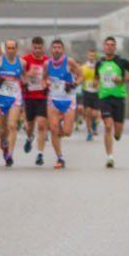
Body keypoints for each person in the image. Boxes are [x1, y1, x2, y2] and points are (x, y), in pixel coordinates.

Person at [95, 35, 129, 168]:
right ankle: (109, 157)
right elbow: (97, 78)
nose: (109, 47)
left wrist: (122, 80)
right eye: (107, 44)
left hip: (119, 98)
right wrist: (95, 83)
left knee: (118, 132)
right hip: (104, 98)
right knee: (108, 126)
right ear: (103, 47)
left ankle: (118, 135)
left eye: (112, 45)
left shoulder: (122, 62)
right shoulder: (100, 63)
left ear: (115, 48)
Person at [43, 38, 82, 169]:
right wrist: (46, 84)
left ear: (63, 49)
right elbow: (44, 80)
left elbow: (81, 76)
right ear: (51, 50)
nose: (56, 50)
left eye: (59, 47)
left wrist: (74, 84)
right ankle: (60, 158)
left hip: (68, 99)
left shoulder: (69, 62)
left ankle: (60, 129)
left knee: (67, 131)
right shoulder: (47, 64)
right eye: (54, 47)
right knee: (53, 129)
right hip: (53, 99)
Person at [0, 38, 25, 167]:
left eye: (13, 48)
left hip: (15, 97)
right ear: (5, 49)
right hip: (1, 97)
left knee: (12, 125)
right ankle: (4, 143)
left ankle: (10, 155)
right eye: (9, 48)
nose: (11, 50)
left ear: (16, 49)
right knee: (2, 129)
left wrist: (25, 82)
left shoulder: (22, 63)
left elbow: (25, 78)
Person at [20, 35, 51, 165]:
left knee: (42, 124)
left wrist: (47, 82)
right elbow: (19, 75)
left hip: (43, 97)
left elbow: (51, 77)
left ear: (43, 48)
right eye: (35, 48)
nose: (37, 50)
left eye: (39, 48)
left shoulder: (47, 61)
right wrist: (28, 74)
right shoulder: (25, 60)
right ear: (32, 47)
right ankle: (29, 137)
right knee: (30, 125)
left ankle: (40, 154)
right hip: (29, 96)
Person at [79, 49, 101, 140]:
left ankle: (94, 124)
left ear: (95, 56)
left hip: (97, 92)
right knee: (88, 113)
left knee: (95, 114)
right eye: (90, 55)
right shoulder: (83, 67)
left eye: (93, 56)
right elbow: (80, 77)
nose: (91, 57)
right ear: (88, 56)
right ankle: (89, 133)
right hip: (87, 92)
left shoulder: (99, 67)